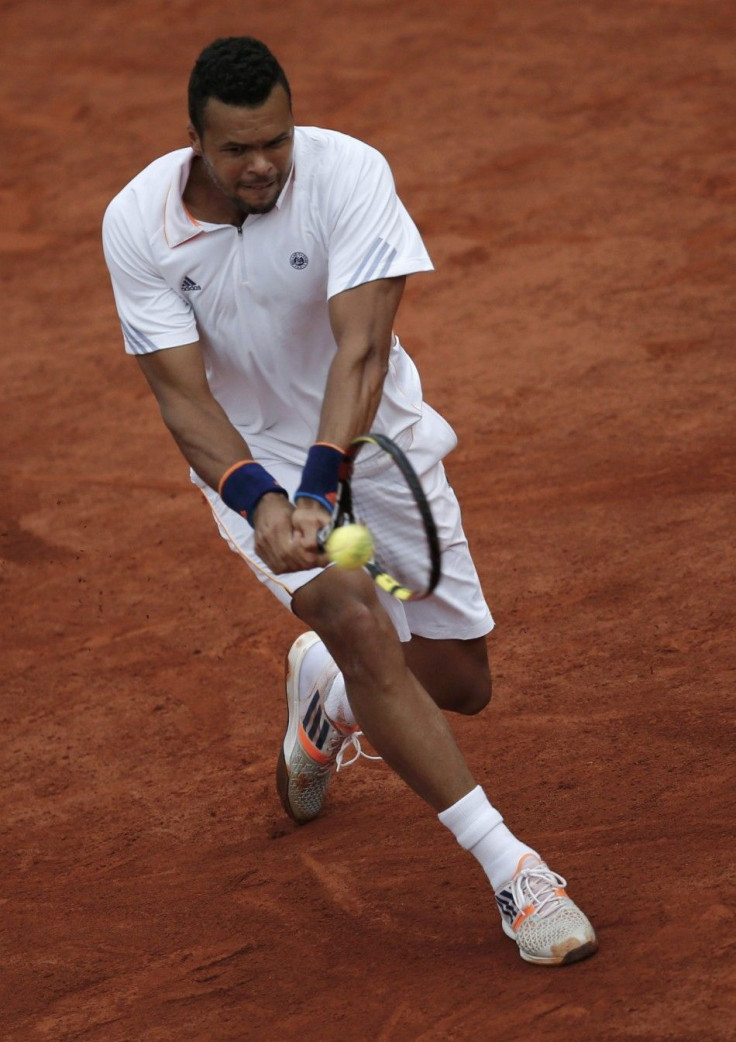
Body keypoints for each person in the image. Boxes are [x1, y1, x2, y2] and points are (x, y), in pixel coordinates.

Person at [102, 35, 598, 967]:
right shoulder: (137, 223)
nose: (262, 166)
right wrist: (261, 501)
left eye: (276, 143)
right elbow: (182, 397)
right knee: (361, 622)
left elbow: (360, 348)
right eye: (237, 149)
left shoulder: (350, 174)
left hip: (372, 444)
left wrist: (322, 486)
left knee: (459, 685)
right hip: (249, 466)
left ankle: (323, 687)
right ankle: (516, 872)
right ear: (195, 143)